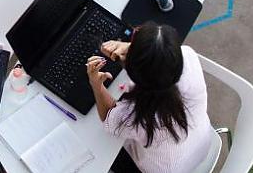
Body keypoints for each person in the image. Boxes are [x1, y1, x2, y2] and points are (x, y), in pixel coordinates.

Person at [86, 22, 212, 173]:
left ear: (133, 74)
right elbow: (160, 60)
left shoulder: (136, 117)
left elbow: (108, 118)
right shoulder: (188, 56)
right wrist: (136, 50)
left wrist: (96, 85)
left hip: (157, 170)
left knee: (101, 147)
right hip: (201, 147)